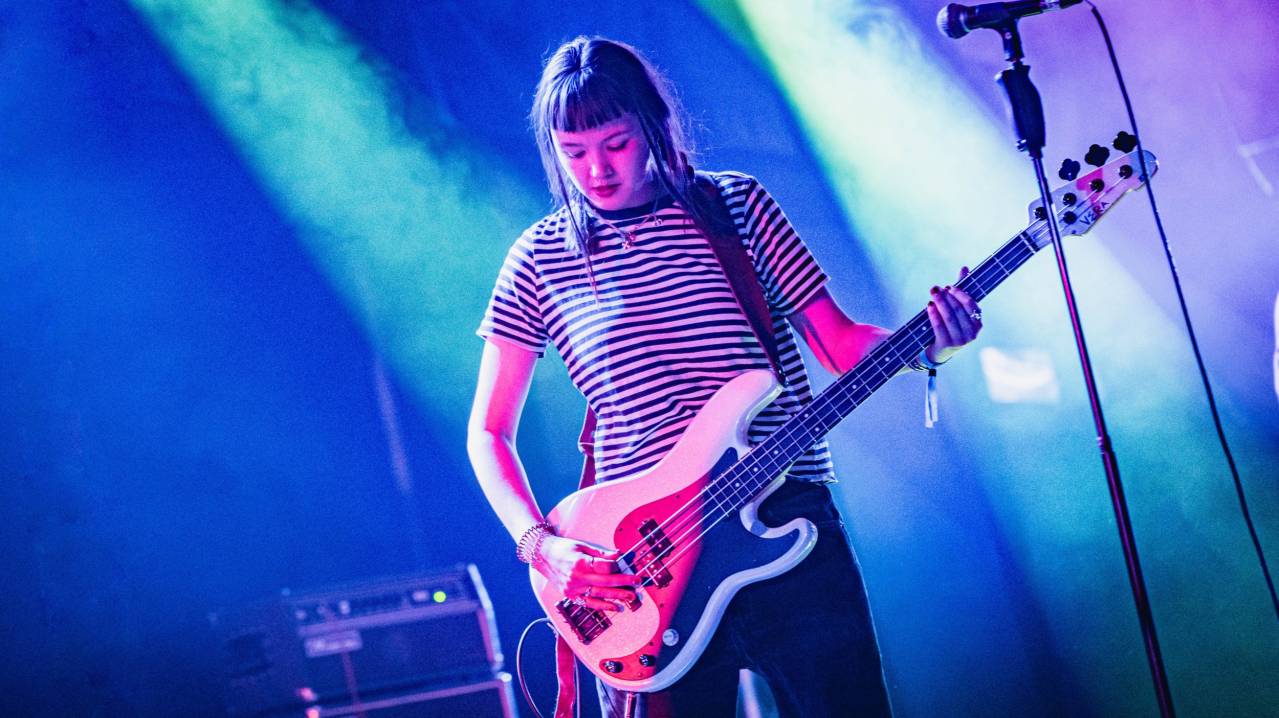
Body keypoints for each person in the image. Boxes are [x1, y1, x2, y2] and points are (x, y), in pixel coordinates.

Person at [467, 37, 983, 717]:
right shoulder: (539, 257)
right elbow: (489, 431)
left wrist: (928, 345)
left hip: (784, 518)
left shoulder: (735, 207)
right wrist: (541, 547)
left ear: (653, 122)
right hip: (642, 566)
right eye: (574, 152)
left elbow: (837, 342)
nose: (596, 170)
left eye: (616, 143)